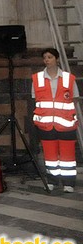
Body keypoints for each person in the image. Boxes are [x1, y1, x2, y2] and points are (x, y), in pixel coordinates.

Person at [32, 47, 79, 193]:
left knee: (68, 155)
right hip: (46, 124)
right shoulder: (37, 78)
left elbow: (75, 98)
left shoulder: (68, 78)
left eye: (50, 57)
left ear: (57, 59)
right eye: (45, 57)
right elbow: (35, 99)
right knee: (50, 155)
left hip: (66, 123)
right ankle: (52, 180)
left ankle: (68, 183)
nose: (47, 60)